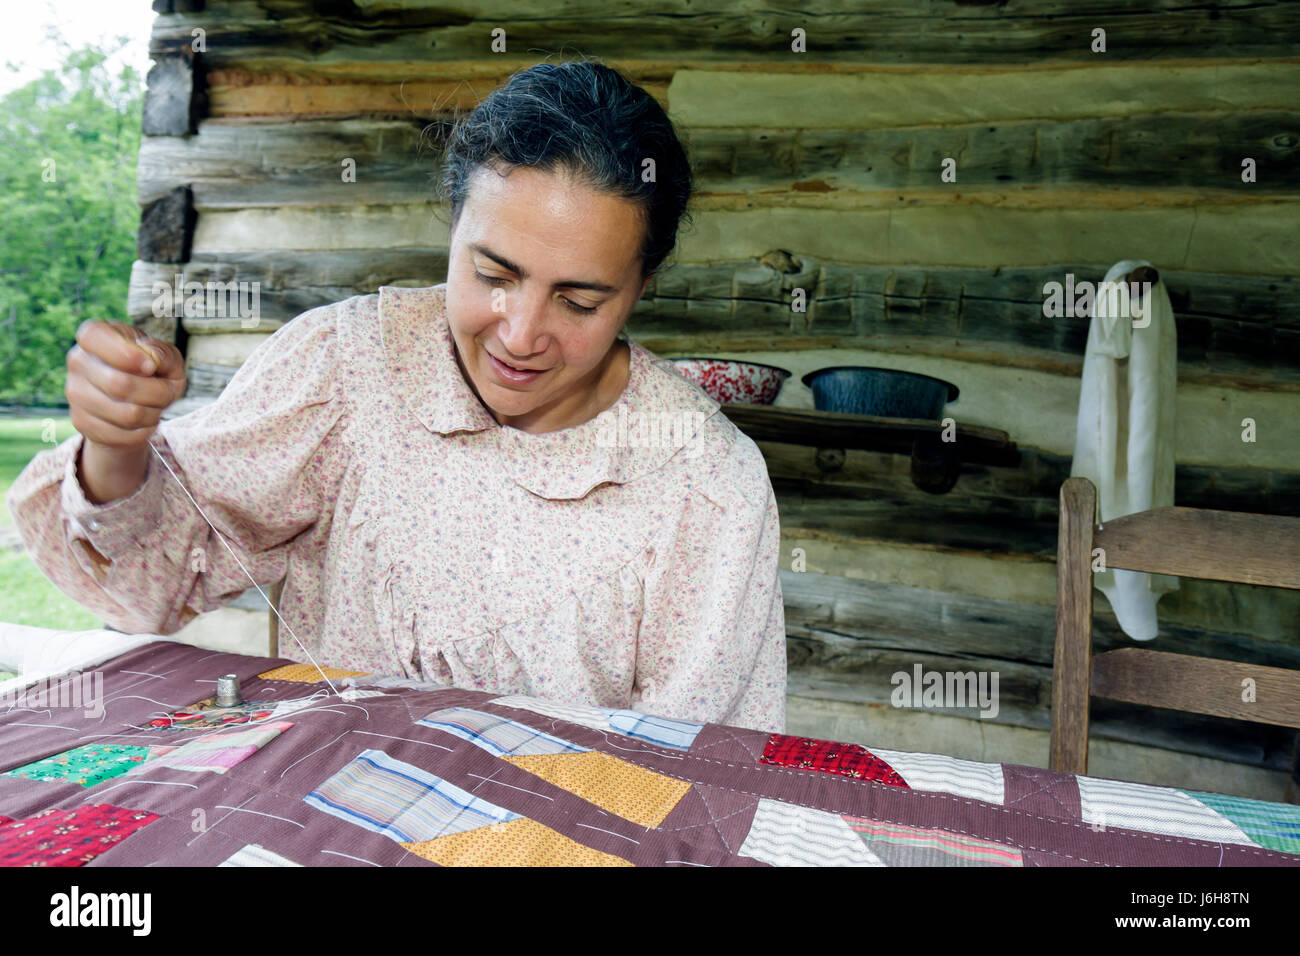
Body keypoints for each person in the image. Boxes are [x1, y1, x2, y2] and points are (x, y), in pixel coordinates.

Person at [7, 60, 788, 733]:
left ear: (640, 288)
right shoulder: (347, 368)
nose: (520, 334)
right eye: (492, 275)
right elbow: (155, 582)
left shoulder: (705, 481)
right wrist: (117, 448)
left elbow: (699, 772)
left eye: (579, 302)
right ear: (453, 228)